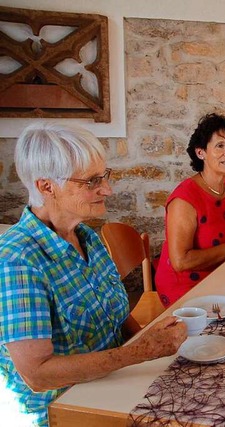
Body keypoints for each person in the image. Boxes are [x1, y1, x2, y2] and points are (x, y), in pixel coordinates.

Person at [0, 123, 187, 427]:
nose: (107, 189)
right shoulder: (17, 260)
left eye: (105, 176)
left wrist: (158, 350)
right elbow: (38, 374)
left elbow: (120, 319)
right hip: (66, 409)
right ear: (47, 187)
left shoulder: (87, 237)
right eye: (91, 181)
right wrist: (140, 352)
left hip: (115, 383)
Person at [155, 113, 225, 307]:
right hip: (187, 287)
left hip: (222, 275)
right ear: (201, 153)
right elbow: (180, 261)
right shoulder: (185, 198)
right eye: (220, 146)